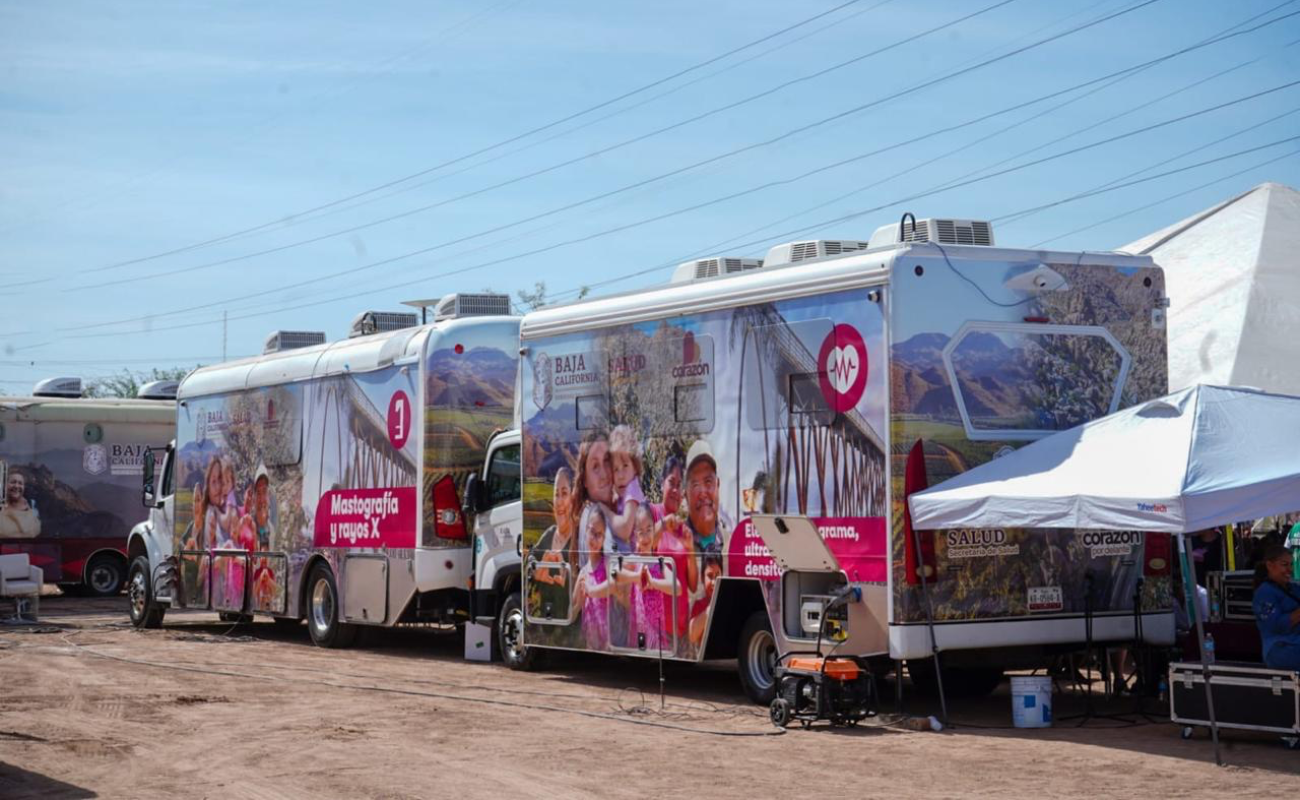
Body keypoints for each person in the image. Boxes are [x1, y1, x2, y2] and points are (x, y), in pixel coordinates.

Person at [531, 467, 577, 622]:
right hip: (544, 627)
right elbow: (531, 558)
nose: (559, 501)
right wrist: (535, 568)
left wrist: (569, 579)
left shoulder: (579, 539)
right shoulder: (550, 533)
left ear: (574, 498)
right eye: (556, 495)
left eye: (564, 493)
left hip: (569, 631)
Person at [573, 503, 616, 651]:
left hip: (608, 642)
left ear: (604, 538)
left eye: (599, 535)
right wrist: (578, 601)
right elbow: (573, 610)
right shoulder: (583, 573)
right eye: (592, 532)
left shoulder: (607, 563)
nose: (594, 538)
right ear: (586, 531)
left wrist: (591, 590)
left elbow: (613, 586)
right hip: (590, 642)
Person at [1252, 545, 1300, 671]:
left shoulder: (1293, 588)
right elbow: (1276, 625)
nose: (1290, 569)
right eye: (1284, 565)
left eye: (1291, 565)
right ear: (1270, 565)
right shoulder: (1264, 593)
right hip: (1280, 649)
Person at [683, 440, 726, 556]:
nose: (703, 493)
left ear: (718, 484)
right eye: (696, 484)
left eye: (708, 481)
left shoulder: (733, 545)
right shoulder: (674, 544)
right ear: (686, 494)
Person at [0, 469, 41, 539]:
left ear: (24, 487)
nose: (16, 486)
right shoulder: (1, 508)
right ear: (5, 485)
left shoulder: (32, 511)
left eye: (20, 483)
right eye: (13, 482)